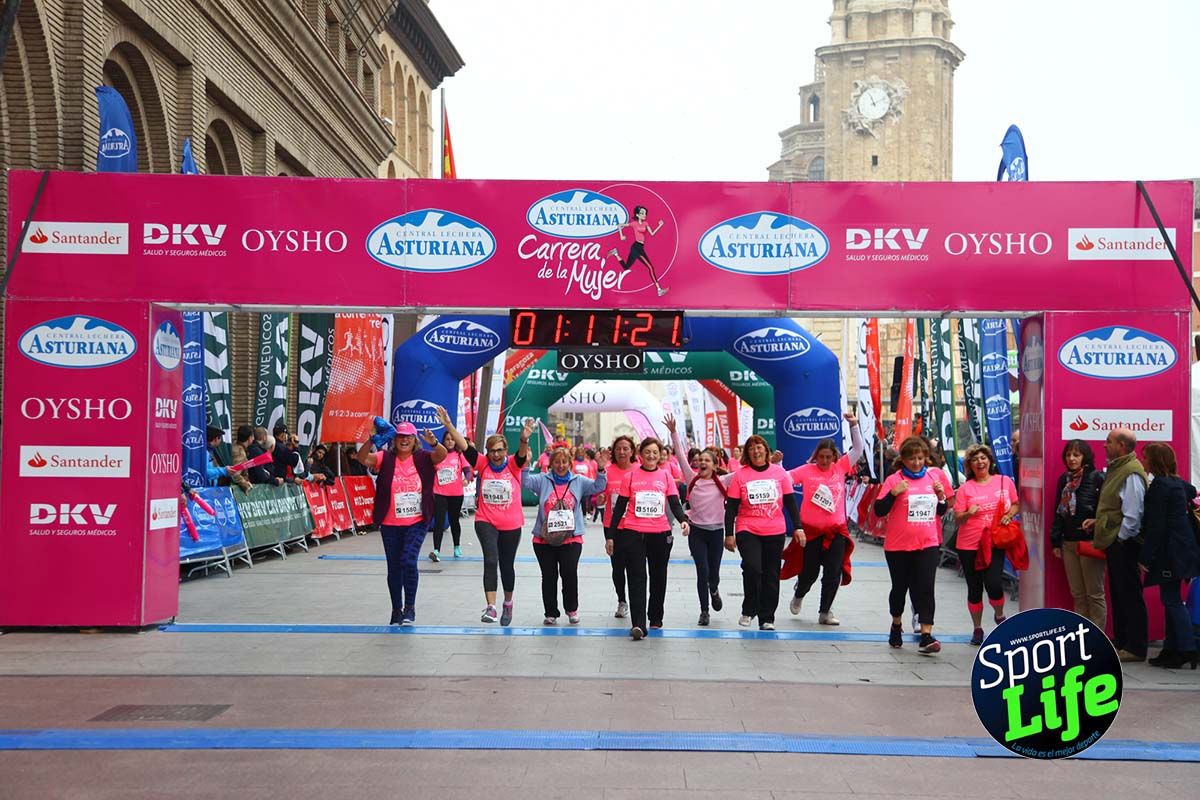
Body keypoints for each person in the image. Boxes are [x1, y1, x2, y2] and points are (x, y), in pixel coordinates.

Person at [355, 414, 448, 626]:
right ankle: (396, 609)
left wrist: (433, 441)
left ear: (415, 440)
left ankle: (410, 608)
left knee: (408, 560)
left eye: (408, 436)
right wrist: (371, 440)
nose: (404, 440)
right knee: (394, 567)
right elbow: (362, 459)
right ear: (394, 439)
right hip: (389, 523)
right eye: (400, 436)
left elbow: (441, 455)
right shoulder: (385, 457)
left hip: (416, 521)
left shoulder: (423, 457)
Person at [442, 412, 533, 626]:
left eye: (500, 450)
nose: (495, 455)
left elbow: (521, 455)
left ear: (505, 451)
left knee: (507, 564)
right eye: (492, 451)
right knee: (491, 560)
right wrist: (448, 424)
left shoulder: (513, 464)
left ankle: (507, 603)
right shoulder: (482, 463)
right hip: (486, 520)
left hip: (511, 523)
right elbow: (464, 446)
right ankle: (491, 607)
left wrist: (524, 438)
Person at [874, 436, 953, 654]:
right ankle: (896, 624)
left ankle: (926, 635)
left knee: (926, 588)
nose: (916, 463)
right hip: (898, 546)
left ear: (926, 458)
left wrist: (941, 498)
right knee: (900, 589)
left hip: (927, 543)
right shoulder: (894, 479)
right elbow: (879, 510)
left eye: (920, 458)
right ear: (904, 460)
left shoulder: (933, 477)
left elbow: (940, 511)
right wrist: (893, 493)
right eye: (912, 459)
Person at [607, 437, 690, 640]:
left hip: (659, 534)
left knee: (658, 576)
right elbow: (619, 508)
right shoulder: (631, 476)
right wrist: (611, 536)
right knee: (636, 578)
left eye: (655, 452)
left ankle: (655, 616)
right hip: (633, 532)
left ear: (660, 454)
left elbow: (674, 502)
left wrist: (683, 520)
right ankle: (638, 624)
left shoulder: (666, 476)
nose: (651, 456)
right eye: (647, 452)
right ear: (640, 454)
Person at [787, 412, 864, 626]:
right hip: (811, 532)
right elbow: (784, 479)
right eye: (821, 457)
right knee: (810, 572)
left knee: (833, 572)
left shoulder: (840, 468)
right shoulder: (806, 470)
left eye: (828, 457)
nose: (824, 461)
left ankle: (825, 611)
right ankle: (799, 593)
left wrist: (854, 426)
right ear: (815, 456)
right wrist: (776, 463)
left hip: (836, 531)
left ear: (834, 457)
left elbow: (858, 450)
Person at [724, 435, 803, 631]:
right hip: (747, 528)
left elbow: (791, 504)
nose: (756, 451)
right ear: (747, 453)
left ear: (766, 451)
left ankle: (767, 617)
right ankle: (749, 609)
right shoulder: (740, 476)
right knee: (752, 568)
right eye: (751, 449)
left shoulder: (780, 473)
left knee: (771, 574)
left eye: (759, 447)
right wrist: (729, 534)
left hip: (774, 530)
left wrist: (799, 527)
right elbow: (731, 508)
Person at [524, 442, 608, 626]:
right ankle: (551, 612)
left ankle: (572, 609)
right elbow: (525, 481)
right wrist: (525, 464)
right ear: (551, 464)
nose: (560, 466)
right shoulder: (542, 480)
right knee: (549, 576)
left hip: (571, 539)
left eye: (564, 462)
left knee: (569, 574)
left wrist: (601, 468)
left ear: (570, 463)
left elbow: (598, 486)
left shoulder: (578, 481)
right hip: (543, 539)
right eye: (557, 462)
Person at [1083, 428, 1148, 663]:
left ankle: (1135, 646)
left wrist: (1119, 538)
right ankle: (1121, 641)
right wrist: (1100, 522)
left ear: (1121, 446)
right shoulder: (1119, 468)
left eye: (1108, 441)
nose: (1104, 445)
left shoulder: (1130, 472)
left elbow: (1133, 513)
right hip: (1116, 540)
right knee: (1119, 593)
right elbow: (1115, 506)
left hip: (1124, 543)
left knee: (1129, 594)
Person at [1138, 443, 1200, 669]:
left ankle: (1185, 649)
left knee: (1172, 600)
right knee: (1171, 598)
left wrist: (1145, 557)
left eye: (1145, 458)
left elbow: (1156, 527)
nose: (1142, 461)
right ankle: (1172, 649)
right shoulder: (1177, 483)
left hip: (1170, 552)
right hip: (1184, 550)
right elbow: (1192, 492)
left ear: (1154, 461)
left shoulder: (1160, 487)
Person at [952, 443, 1019, 645]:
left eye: (983, 458)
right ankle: (977, 629)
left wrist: (1009, 515)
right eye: (975, 459)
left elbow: (1016, 504)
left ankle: (999, 616)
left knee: (993, 583)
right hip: (969, 544)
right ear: (970, 465)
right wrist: (967, 513)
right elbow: (957, 518)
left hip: (994, 542)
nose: (980, 462)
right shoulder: (965, 489)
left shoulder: (1004, 482)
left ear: (990, 461)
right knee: (974, 588)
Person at [666, 415, 730, 626]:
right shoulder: (690, 476)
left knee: (714, 573)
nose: (702, 462)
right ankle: (704, 611)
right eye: (700, 460)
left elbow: (747, 475)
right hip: (697, 531)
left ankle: (714, 588)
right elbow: (681, 456)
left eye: (707, 460)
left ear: (714, 465)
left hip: (716, 532)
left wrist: (776, 464)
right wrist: (674, 432)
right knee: (702, 571)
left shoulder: (723, 481)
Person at [1049, 439, 1107, 629]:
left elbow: (1107, 510)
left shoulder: (1097, 478)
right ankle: (1082, 636)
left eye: (1076, 454)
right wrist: (1055, 541)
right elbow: (1058, 511)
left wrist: (1097, 524)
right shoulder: (1064, 479)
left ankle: (1097, 637)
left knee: (1094, 593)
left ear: (1085, 456)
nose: (1072, 459)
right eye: (1068, 455)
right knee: (1078, 594)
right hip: (1069, 543)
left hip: (1090, 542)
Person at [601, 435, 638, 619]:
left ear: (632, 451)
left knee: (634, 565)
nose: (622, 452)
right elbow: (600, 494)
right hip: (612, 526)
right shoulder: (608, 471)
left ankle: (636, 600)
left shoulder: (639, 470)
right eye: (618, 449)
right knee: (617, 566)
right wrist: (599, 498)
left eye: (626, 448)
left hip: (635, 525)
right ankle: (622, 600)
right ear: (613, 452)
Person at [607, 204, 668, 296]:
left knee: (626, 267)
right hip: (636, 247)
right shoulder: (634, 224)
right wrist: (621, 235)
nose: (644, 215)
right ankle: (659, 290)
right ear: (637, 215)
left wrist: (660, 226)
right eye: (642, 213)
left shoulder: (646, 223)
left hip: (639, 247)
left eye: (645, 213)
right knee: (650, 267)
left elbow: (652, 233)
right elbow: (620, 225)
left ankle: (616, 253)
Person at [430, 429, 471, 561]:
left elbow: (468, 471)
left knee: (454, 521)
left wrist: (467, 479)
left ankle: (457, 547)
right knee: (439, 522)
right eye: (447, 439)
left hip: (456, 493)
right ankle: (436, 550)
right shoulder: (438, 455)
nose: (450, 442)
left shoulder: (459, 455)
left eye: (452, 439)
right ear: (443, 441)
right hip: (440, 493)